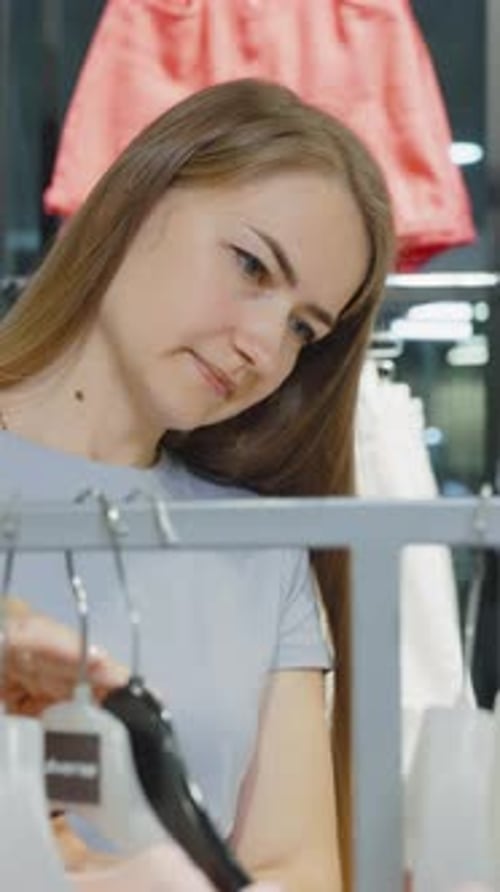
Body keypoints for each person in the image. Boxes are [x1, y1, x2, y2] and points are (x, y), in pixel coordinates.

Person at [0, 78, 394, 891]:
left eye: (301, 328)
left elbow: (298, 870)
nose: (263, 347)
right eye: (252, 265)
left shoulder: (261, 549)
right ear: (142, 197)